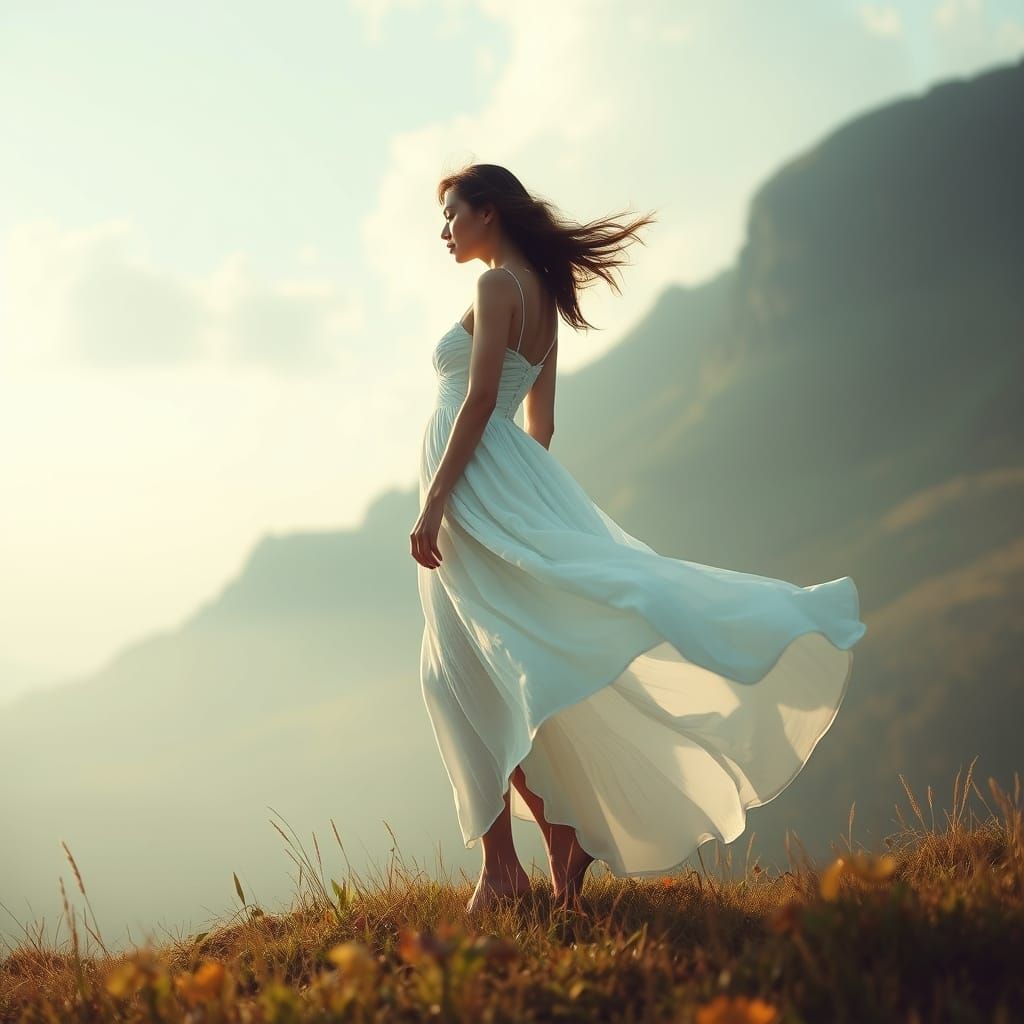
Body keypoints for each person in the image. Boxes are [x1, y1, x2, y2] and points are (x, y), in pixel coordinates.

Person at [410, 163, 867, 914]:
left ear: (487, 212)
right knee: (488, 669)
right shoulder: (545, 301)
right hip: (500, 486)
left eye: (453, 214)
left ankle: (506, 870)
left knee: (459, 672)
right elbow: (542, 425)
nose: (445, 230)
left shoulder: (494, 288)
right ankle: (547, 840)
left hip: (469, 492)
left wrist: (439, 501)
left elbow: (483, 396)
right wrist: (522, 502)